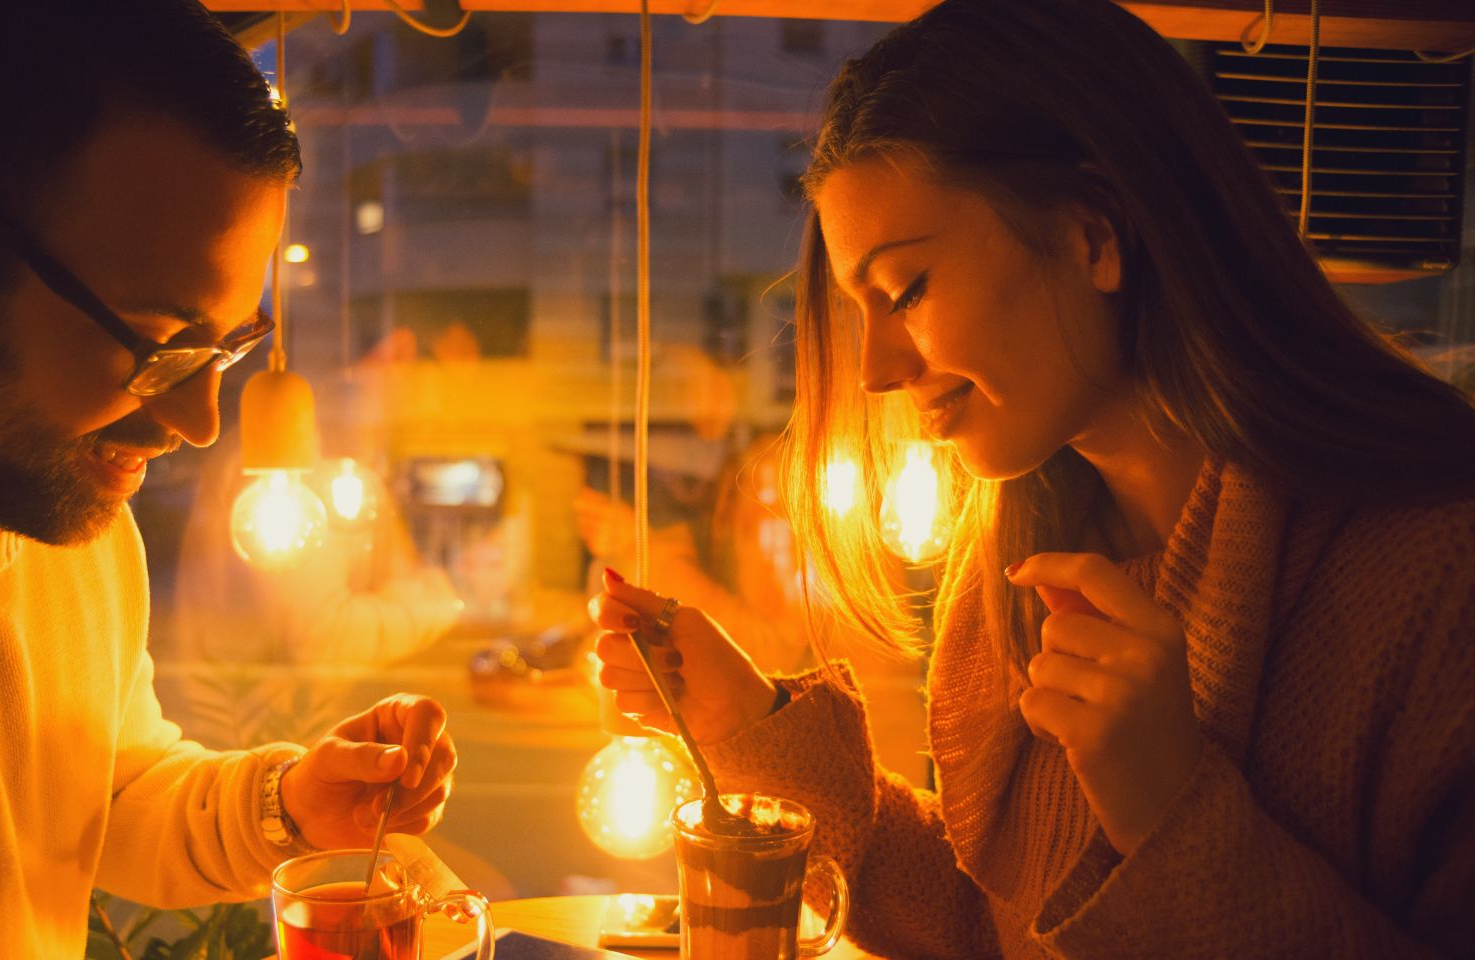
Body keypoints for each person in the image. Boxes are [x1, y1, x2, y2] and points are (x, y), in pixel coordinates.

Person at [591, 0, 1475, 956]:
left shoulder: (1433, 569)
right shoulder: (1024, 555)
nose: (877, 371)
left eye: (907, 292)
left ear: (1094, 235)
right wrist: (753, 722)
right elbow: (997, 927)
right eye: (863, 312)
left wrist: (1171, 813)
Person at [0, 2, 455, 957]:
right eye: (158, 347)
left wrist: (295, 807)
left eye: (228, 348)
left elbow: (109, 791)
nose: (196, 425)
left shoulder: (55, 505)